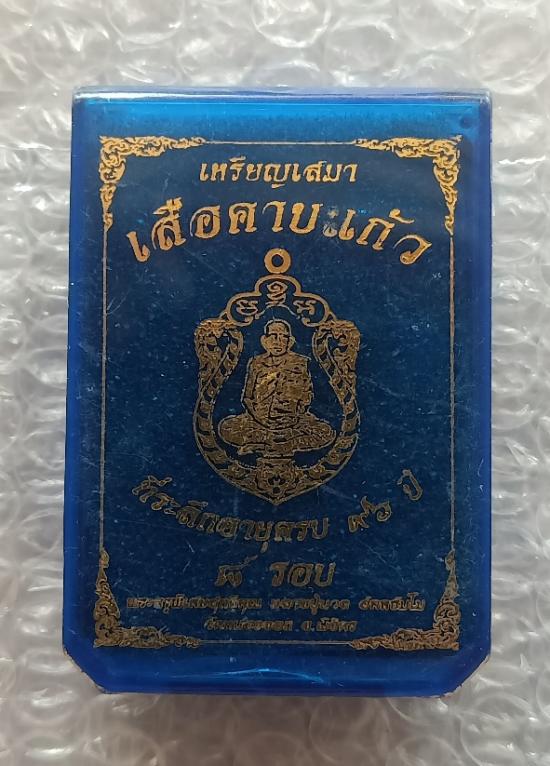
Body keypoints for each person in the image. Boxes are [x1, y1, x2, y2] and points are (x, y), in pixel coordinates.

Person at [219, 319, 335, 457]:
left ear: (290, 342)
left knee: (325, 432)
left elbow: (306, 396)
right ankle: (281, 444)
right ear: (265, 340)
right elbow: (247, 398)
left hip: (292, 423)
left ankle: (267, 444)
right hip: (259, 422)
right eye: (273, 336)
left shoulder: (300, 363)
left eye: (283, 337)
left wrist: (295, 418)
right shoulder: (256, 363)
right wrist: (259, 418)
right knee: (227, 428)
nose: (278, 341)